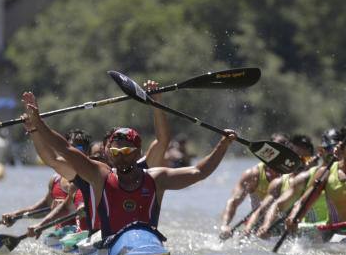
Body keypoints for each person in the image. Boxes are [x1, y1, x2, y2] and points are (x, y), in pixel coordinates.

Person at [20, 91, 236, 241]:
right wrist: (38, 124)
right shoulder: (99, 175)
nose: (121, 157)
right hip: (107, 244)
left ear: (138, 153)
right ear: (108, 154)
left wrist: (223, 145)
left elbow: (199, 172)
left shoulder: (156, 178)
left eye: (127, 152)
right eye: (115, 152)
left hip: (148, 243)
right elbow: (65, 150)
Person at [284, 128, 346, 234]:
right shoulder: (326, 172)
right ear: (343, 148)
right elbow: (303, 203)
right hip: (333, 234)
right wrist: (293, 217)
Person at [2, 129, 92, 236]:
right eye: (69, 149)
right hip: (63, 237)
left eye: (78, 149)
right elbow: (44, 209)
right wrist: (16, 215)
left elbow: (66, 208)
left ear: (87, 153)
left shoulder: (91, 178)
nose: (73, 153)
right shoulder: (55, 181)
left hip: (85, 234)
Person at [218, 133, 309, 239]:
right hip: (257, 224)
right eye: (274, 149)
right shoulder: (252, 175)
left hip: (285, 224)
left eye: (282, 149)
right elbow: (233, 202)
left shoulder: (293, 176)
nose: (277, 154)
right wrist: (225, 225)